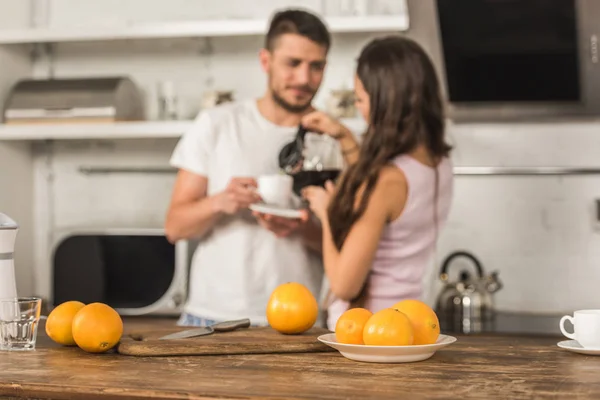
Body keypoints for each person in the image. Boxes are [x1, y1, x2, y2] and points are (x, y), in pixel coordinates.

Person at [164, 9, 352, 327]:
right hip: (212, 316)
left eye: (316, 66)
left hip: (299, 321)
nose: (305, 79)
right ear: (266, 61)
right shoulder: (217, 124)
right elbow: (175, 227)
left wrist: (302, 229)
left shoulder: (335, 139)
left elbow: (351, 251)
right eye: (293, 64)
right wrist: (221, 202)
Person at [301, 35, 455, 330]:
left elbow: (344, 285)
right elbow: (386, 200)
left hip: (369, 332)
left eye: (360, 98)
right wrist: (344, 136)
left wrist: (326, 214)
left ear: (385, 101)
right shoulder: (438, 163)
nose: (358, 107)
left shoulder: (387, 180)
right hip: (408, 323)